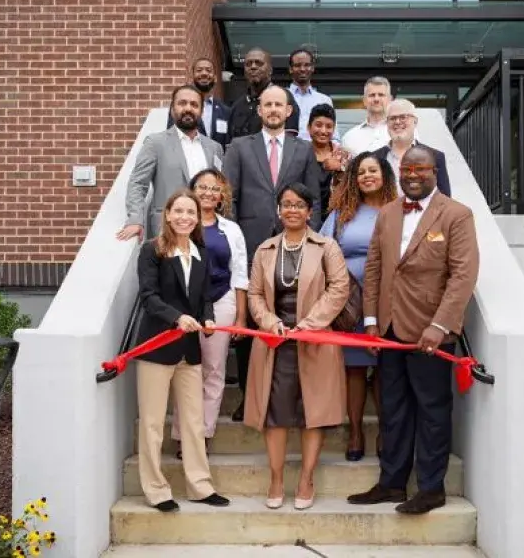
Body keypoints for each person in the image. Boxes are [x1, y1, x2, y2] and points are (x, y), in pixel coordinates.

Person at [348, 146, 480, 515]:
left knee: (432, 411)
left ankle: (431, 488)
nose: (413, 175)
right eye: (407, 169)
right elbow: (374, 268)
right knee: (392, 410)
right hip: (388, 330)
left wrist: (440, 325)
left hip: (430, 333)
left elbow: (463, 274)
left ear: (435, 171)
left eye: (421, 168)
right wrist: (371, 321)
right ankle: (391, 483)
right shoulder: (388, 213)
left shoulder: (456, 214)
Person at [244, 183, 350, 510]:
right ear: (279, 210)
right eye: (286, 204)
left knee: (312, 413)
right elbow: (254, 294)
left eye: (299, 204)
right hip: (275, 342)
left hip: (315, 339)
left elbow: (340, 288)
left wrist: (309, 324)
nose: (292, 210)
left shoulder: (326, 246)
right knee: (274, 414)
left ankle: (306, 478)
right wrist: (268, 322)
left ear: (309, 211)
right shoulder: (264, 249)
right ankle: (276, 479)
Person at [222, 85, 324, 421]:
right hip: (252, 245)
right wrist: (235, 236)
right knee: (256, 318)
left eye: (279, 104)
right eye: (267, 105)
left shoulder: (304, 149)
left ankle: (291, 396)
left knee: (291, 316)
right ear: (260, 110)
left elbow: (316, 200)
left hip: (294, 243)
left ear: (289, 111)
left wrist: (313, 240)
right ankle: (250, 397)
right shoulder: (239, 147)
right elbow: (229, 198)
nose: (273, 110)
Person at [134, 188, 231, 512]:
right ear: (168, 214)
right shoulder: (152, 251)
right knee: (151, 422)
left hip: (190, 350)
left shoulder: (201, 251)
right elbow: (149, 297)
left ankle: (200, 487)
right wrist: (177, 318)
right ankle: (156, 490)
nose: (185, 217)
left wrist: (207, 318)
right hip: (157, 348)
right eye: (179, 211)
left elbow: (204, 297)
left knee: (193, 421)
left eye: (191, 212)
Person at [320, 151, 397, 462]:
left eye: (373, 170)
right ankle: (354, 432)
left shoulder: (399, 211)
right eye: (361, 171)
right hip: (350, 301)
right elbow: (324, 249)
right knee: (354, 368)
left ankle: (384, 431)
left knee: (384, 369)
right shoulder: (342, 213)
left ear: (385, 176)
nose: (367, 176)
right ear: (353, 178)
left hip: (388, 299)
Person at [170, 169, 248, 454]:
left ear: (221, 196)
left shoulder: (232, 230)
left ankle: (203, 434)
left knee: (214, 370)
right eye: (202, 187)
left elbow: (240, 272)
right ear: (192, 190)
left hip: (221, 301)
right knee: (187, 369)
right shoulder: (182, 223)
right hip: (185, 306)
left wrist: (240, 316)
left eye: (214, 189)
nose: (207, 193)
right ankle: (182, 435)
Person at [118, 85, 224, 241]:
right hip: (166, 231)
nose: (188, 108)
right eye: (182, 103)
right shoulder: (155, 143)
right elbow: (138, 183)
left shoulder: (215, 148)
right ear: (172, 109)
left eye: (194, 105)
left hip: (204, 232)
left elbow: (218, 189)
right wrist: (135, 219)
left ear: (201, 111)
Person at [374, 98, 451, 197]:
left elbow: (445, 200)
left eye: (403, 117)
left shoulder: (435, 156)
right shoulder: (374, 158)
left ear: (415, 121)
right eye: (392, 118)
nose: (397, 122)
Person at [228, 47, 300, 139]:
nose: (253, 67)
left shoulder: (284, 97)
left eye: (259, 63)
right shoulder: (236, 106)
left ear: (270, 70)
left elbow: (290, 142)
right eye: (248, 64)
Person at [166, 57, 231, 148]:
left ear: (215, 78)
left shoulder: (225, 111)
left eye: (208, 70)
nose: (204, 73)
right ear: (192, 76)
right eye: (199, 70)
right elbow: (171, 136)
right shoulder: (181, 107)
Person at [306, 103, 348, 224]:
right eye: (318, 125)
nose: (323, 131)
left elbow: (354, 186)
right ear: (309, 127)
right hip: (306, 218)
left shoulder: (343, 155)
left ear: (334, 129)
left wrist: (341, 168)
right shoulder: (300, 153)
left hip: (335, 219)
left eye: (329, 126)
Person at [287, 48, 338, 142]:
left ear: (312, 68)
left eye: (307, 65)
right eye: (298, 65)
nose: (302, 69)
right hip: (288, 153)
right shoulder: (281, 97)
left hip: (317, 154)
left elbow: (334, 137)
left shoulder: (324, 100)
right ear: (290, 69)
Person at [340, 76, 391, 156]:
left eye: (381, 95)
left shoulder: (403, 133)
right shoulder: (349, 137)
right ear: (364, 101)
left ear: (389, 100)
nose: (376, 99)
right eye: (372, 95)